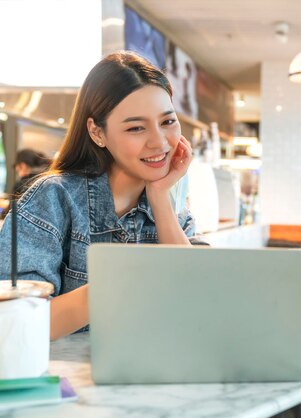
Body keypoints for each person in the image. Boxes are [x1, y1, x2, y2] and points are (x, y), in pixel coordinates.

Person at [0, 51, 194, 340]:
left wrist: (160, 197)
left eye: (167, 122)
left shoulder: (173, 204)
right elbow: (15, 323)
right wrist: (123, 279)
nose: (159, 142)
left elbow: (196, 302)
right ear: (97, 132)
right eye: (136, 128)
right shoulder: (52, 198)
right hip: (64, 379)